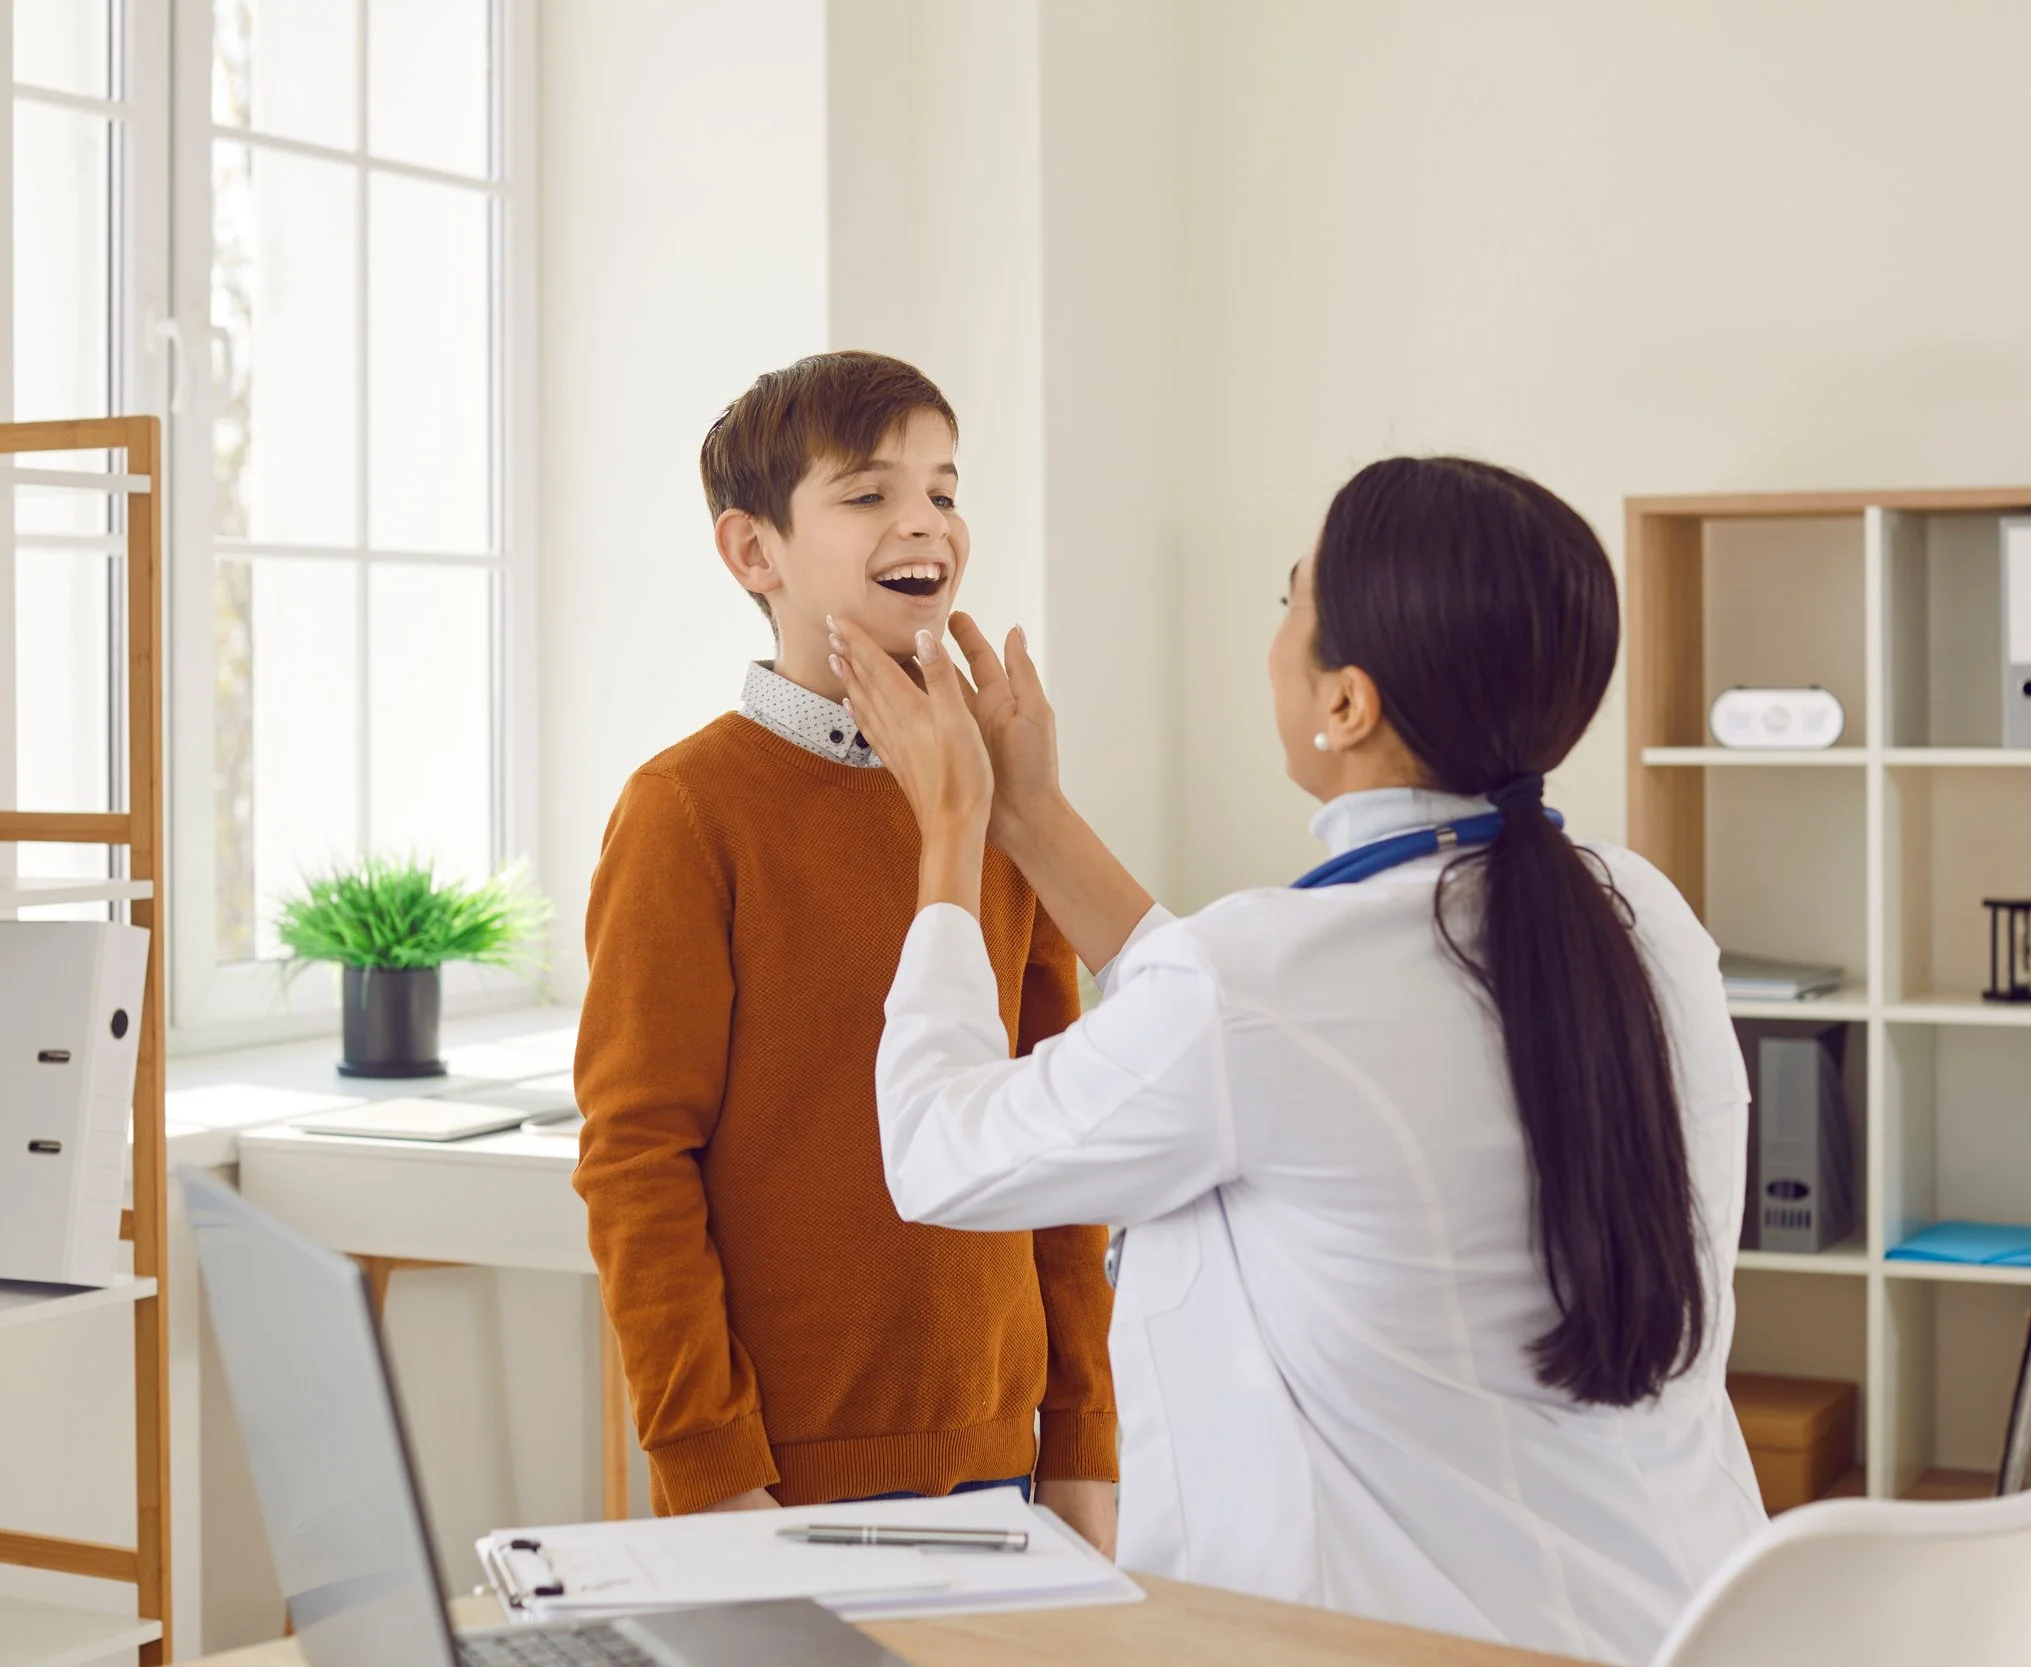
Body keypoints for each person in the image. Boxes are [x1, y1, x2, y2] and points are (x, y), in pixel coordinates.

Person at [828, 455, 1765, 1663]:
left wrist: (951, 831)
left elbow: (938, 1150)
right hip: (1678, 1620)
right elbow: (1249, 1034)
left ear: (1346, 703)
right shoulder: (1642, 916)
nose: (1274, 637)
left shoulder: (1268, 986)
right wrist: (1028, 813)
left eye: (1288, 603)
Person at [571, 351, 1118, 1550]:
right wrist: (714, 1473)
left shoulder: (999, 799)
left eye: (943, 488)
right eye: (868, 493)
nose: (923, 519)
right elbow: (635, 1165)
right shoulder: (685, 809)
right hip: (777, 1479)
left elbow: (1061, 1141)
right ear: (753, 552)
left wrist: (1083, 1438)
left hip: (1008, 1464)